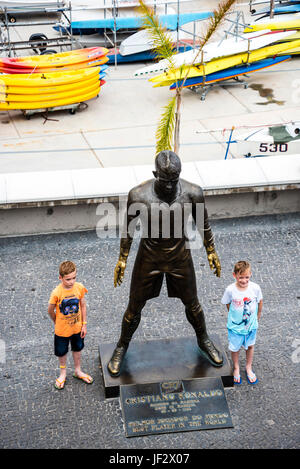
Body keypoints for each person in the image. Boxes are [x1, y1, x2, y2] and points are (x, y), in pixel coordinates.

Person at [107, 150, 223, 377]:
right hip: (149, 255)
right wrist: (122, 259)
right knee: (134, 306)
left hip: (180, 254)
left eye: (174, 180)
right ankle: (121, 346)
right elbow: (128, 231)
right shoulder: (138, 195)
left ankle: (203, 339)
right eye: (165, 180)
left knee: (193, 304)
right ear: (155, 174)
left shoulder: (193, 193)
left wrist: (211, 251)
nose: (170, 186)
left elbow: (204, 224)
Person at [48, 260, 93, 390]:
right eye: (68, 279)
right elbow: (50, 310)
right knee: (61, 352)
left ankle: (78, 371)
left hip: (77, 328)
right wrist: (56, 321)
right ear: (60, 278)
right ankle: (63, 373)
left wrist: (84, 324)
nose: (71, 281)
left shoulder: (79, 288)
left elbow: (83, 305)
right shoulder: (56, 292)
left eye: (74, 278)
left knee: (77, 348)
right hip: (62, 330)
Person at [221, 260, 263, 385]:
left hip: (251, 326)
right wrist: (232, 315)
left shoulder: (255, 288)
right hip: (235, 327)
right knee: (235, 348)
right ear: (234, 275)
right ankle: (236, 367)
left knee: (250, 345)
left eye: (246, 277)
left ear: (250, 275)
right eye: (241, 277)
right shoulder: (230, 290)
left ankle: (248, 367)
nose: (244, 280)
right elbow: (227, 303)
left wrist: (258, 315)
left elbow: (260, 301)